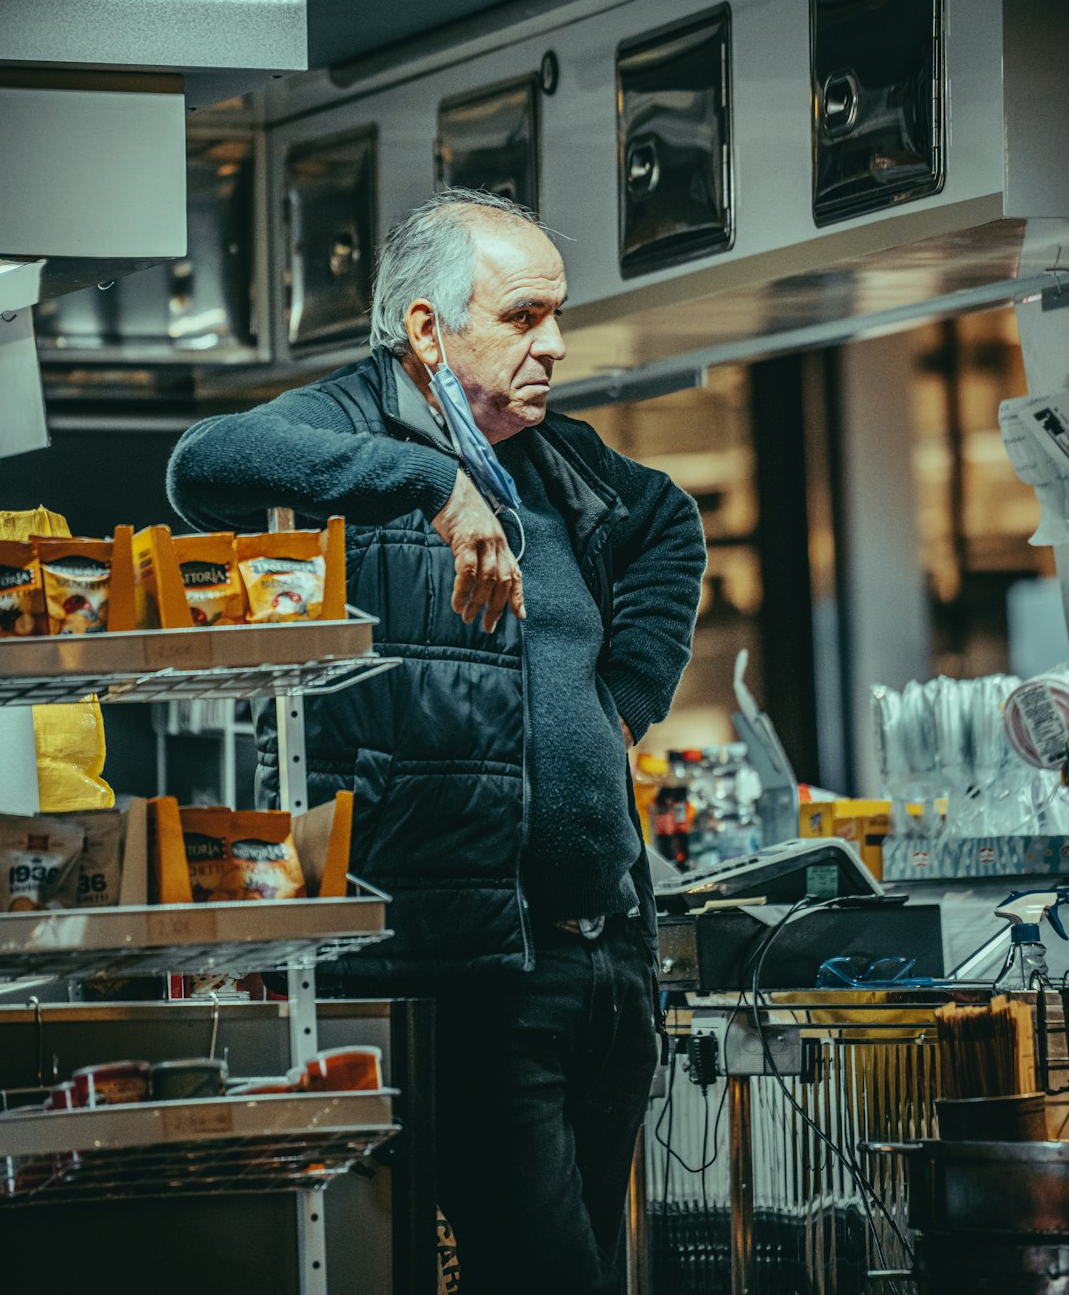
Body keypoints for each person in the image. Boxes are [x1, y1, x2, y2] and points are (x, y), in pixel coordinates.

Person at [167, 187, 706, 1295]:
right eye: (521, 318)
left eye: (557, 316)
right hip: (461, 971)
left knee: (596, 1267)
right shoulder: (351, 427)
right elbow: (203, 461)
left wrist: (619, 703)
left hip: (600, 956)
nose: (553, 344)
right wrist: (434, 483)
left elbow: (671, 525)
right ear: (425, 327)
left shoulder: (569, 463)